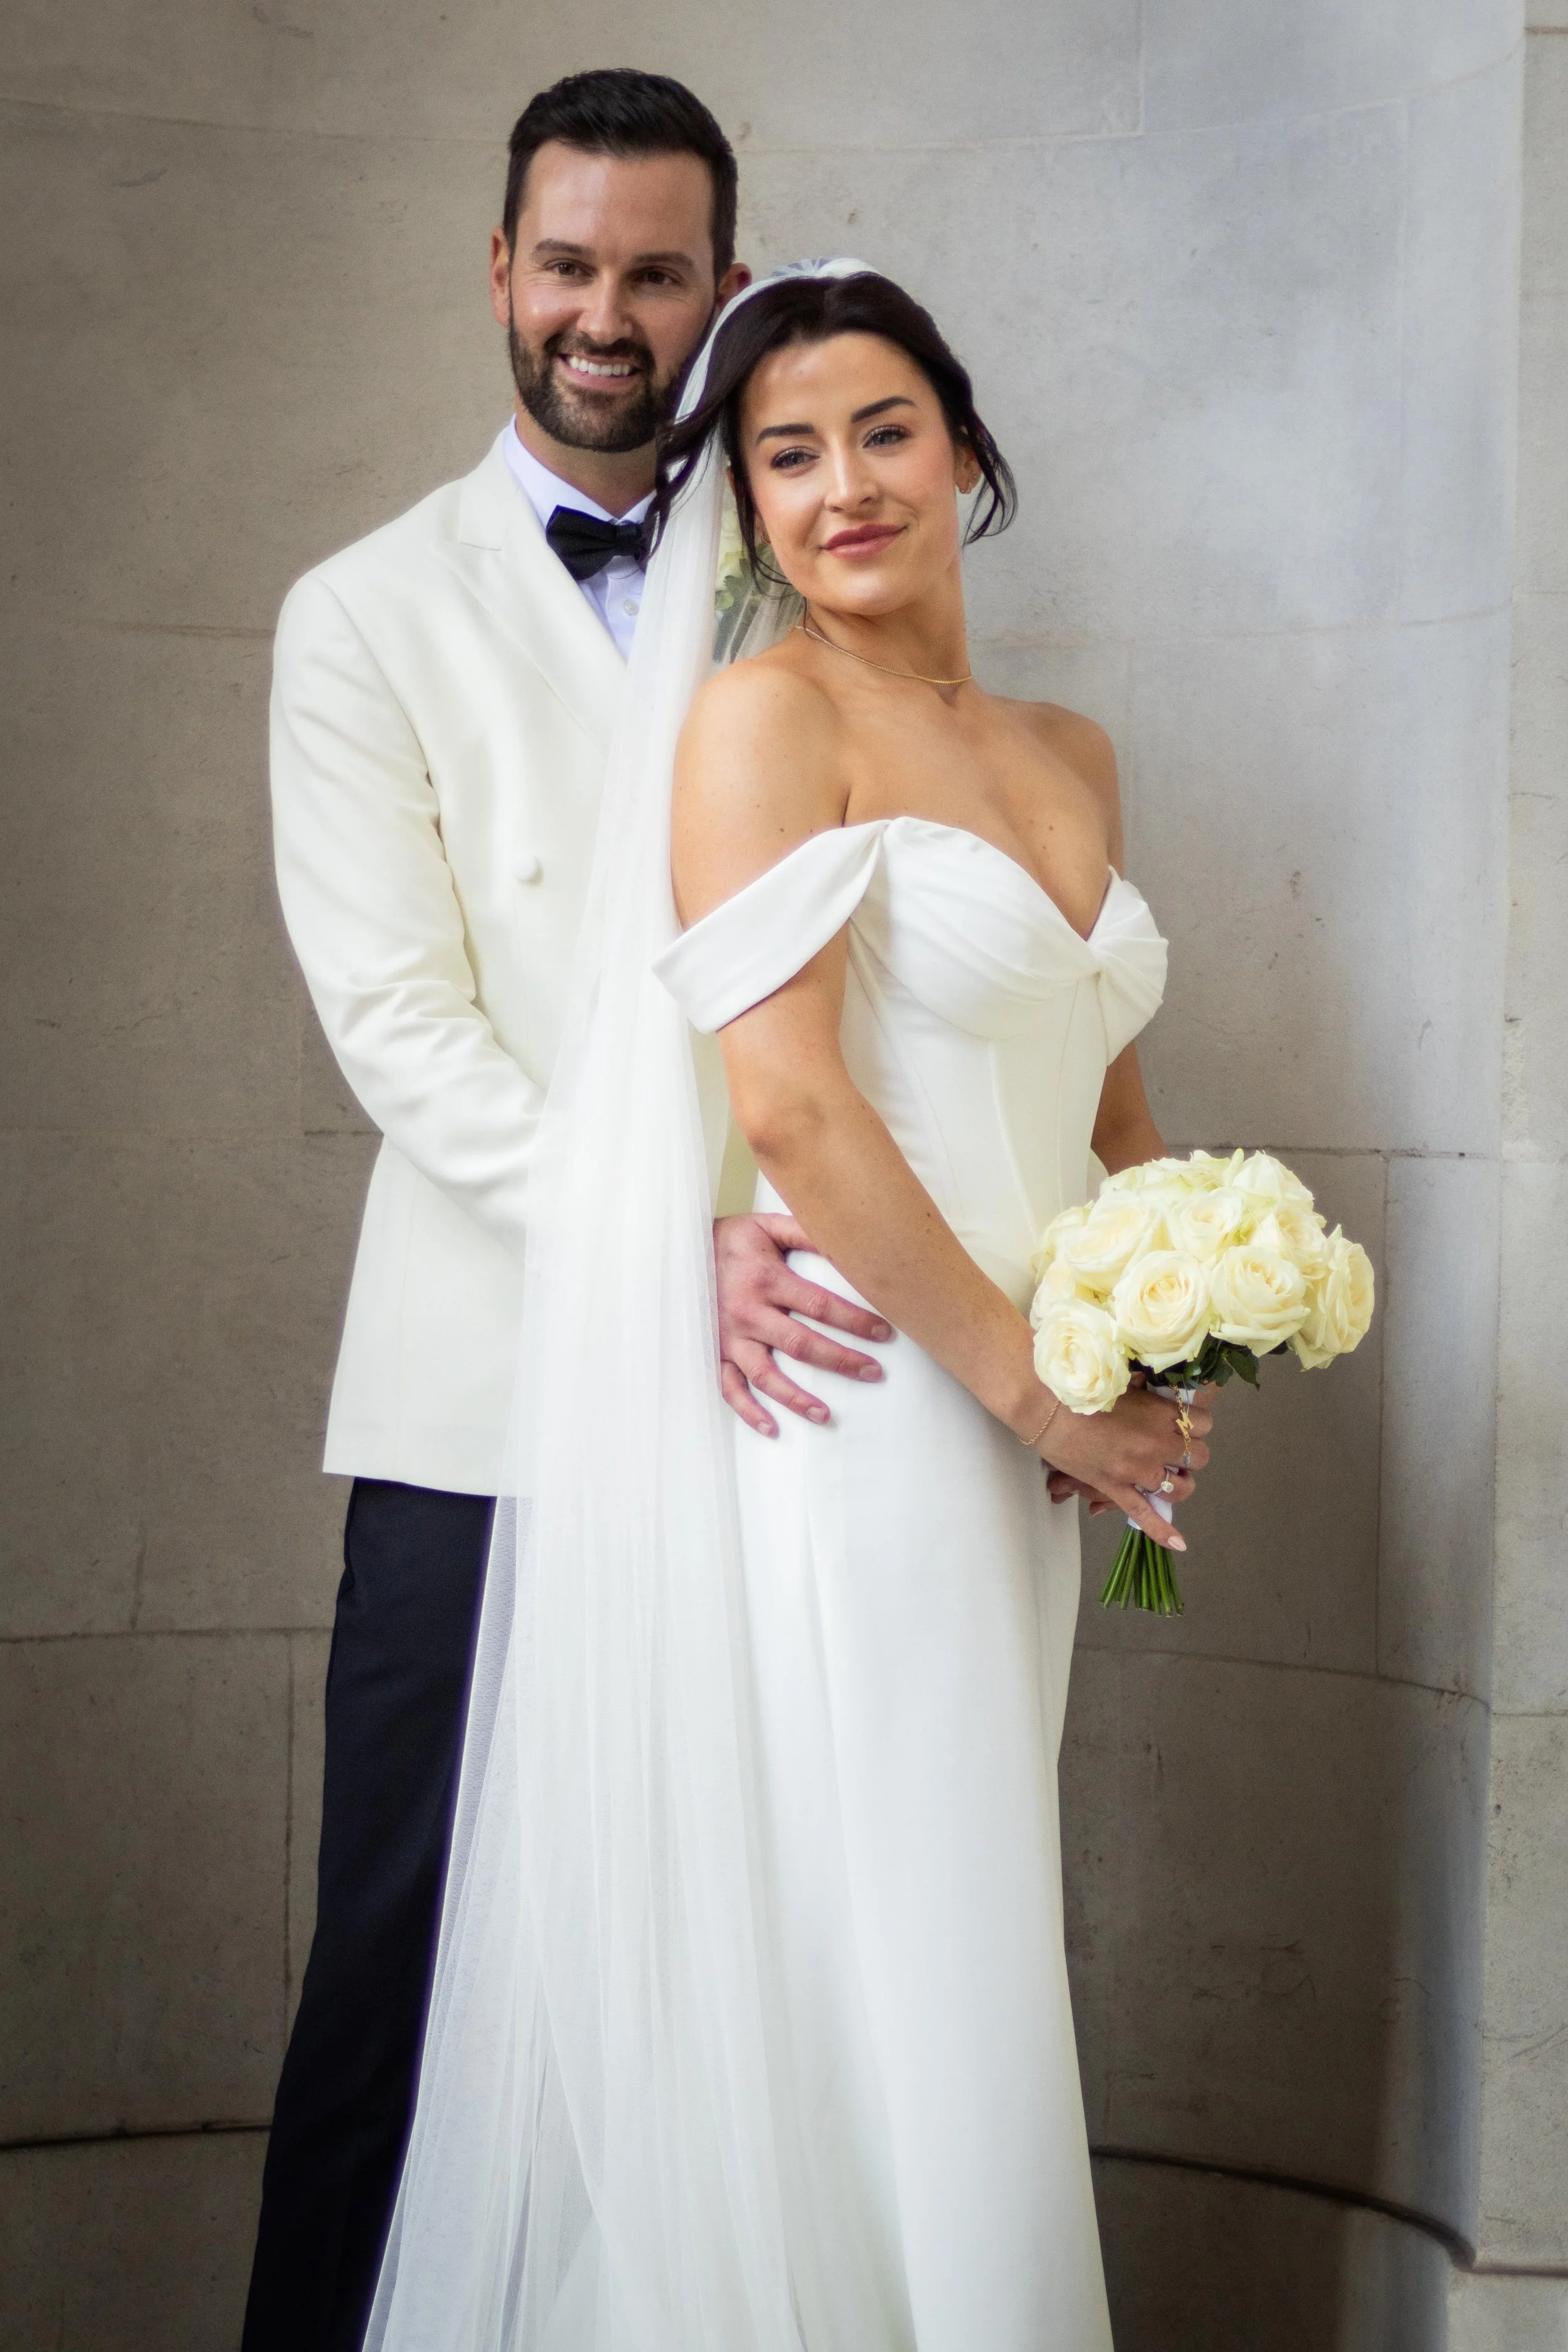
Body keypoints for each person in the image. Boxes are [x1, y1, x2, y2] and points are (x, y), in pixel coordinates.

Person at [366, 265, 1213, 2351]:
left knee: (951, 1906)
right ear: (741, 509)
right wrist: (1035, 1393)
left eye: (885, 430)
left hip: (1037, 1414)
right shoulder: (765, 721)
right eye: (786, 453)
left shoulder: (1065, 744)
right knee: (912, 1926)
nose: (844, 484)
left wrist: (1182, 1317)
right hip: (880, 1397)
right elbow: (795, 1110)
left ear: (965, 445)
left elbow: (1106, 1094)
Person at [245, 80, 891, 2352]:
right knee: (402, 1971)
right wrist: (655, 1239)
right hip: (482, 1395)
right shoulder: (360, 613)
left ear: (722, 289)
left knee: (743, 1972)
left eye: (650, 273)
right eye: (563, 264)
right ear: (495, 274)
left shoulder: (802, 557)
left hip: (786, 1376)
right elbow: (402, 1034)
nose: (601, 316)